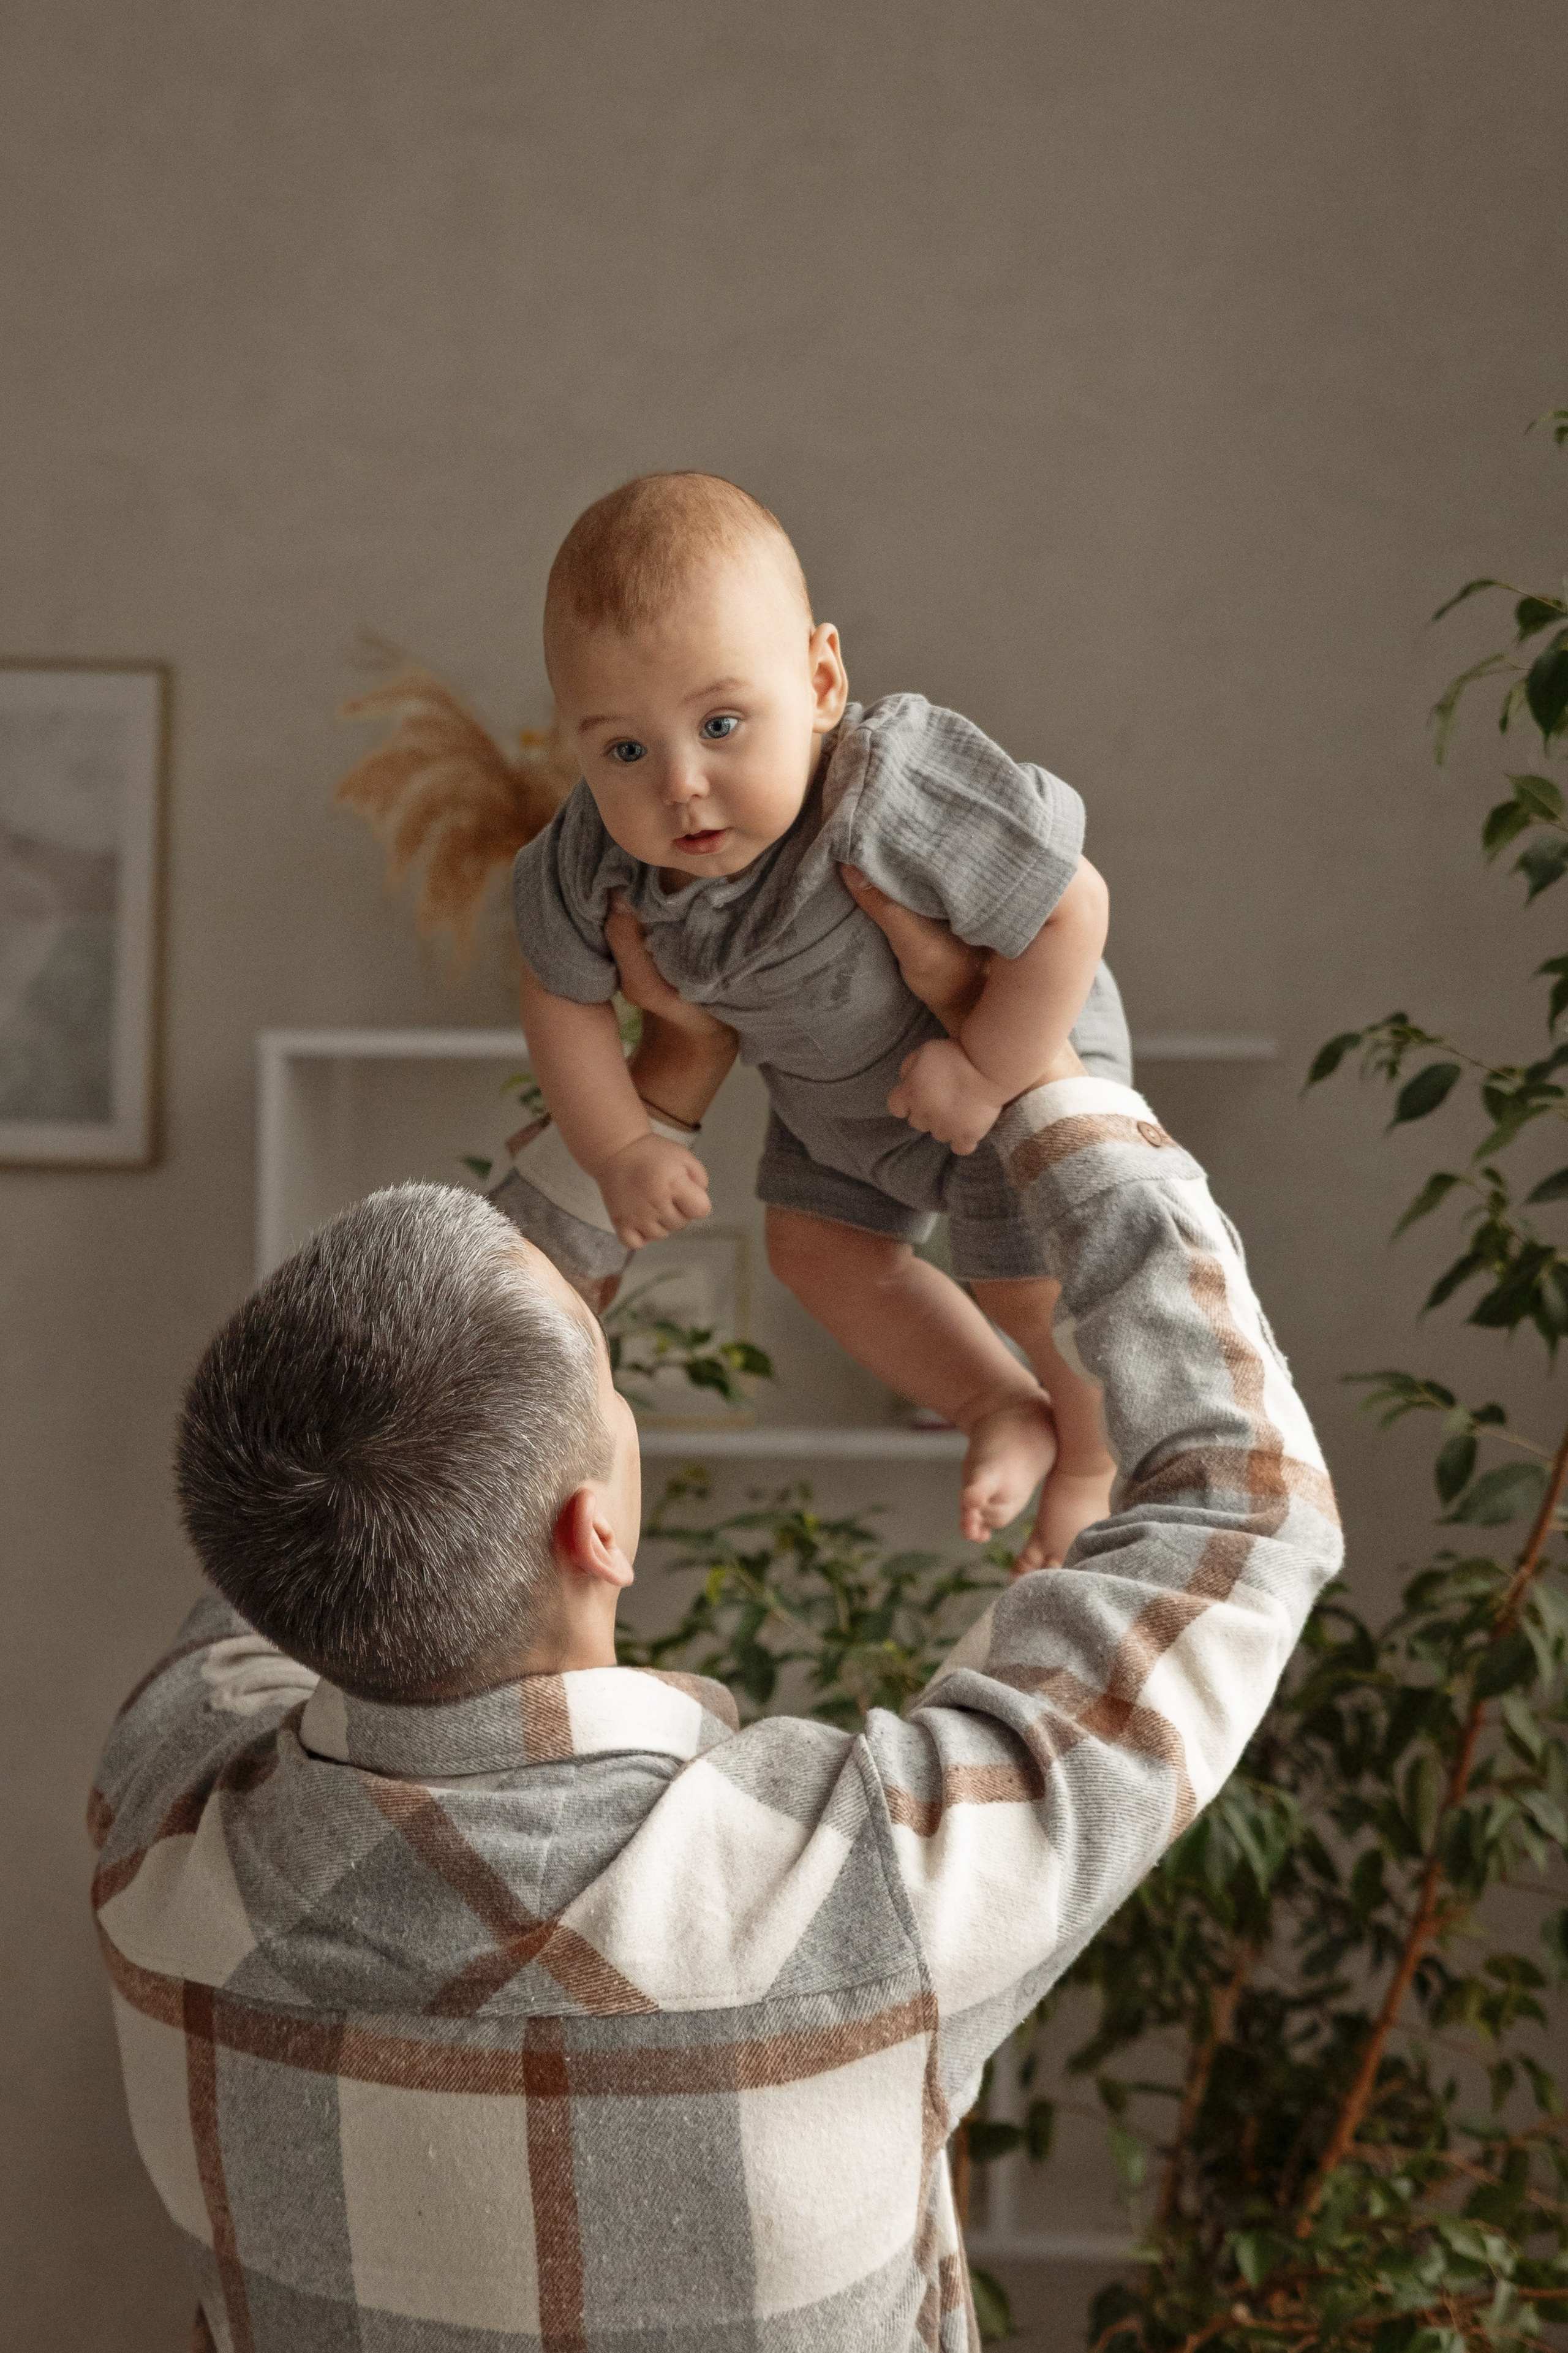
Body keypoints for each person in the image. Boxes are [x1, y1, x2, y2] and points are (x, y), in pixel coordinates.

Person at [92, 888, 1340, 2353]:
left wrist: (658, 1091)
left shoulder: (163, 1808)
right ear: (595, 1526)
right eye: (606, 1389)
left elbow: (332, 1472)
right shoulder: (854, 1900)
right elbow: (1245, 1510)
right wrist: (1046, 1076)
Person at [506, 469, 1133, 1573]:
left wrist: (988, 1070)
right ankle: (996, 1403)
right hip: (838, 1107)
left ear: (824, 679)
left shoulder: (890, 788)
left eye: (722, 722)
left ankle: (1088, 1462)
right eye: (625, 751)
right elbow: (557, 992)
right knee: (813, 1250)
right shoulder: (590, 859)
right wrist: (621, 1148)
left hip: (1010, 1052)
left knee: (1030, 1284)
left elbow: (1072, 908)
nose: (683, 784)